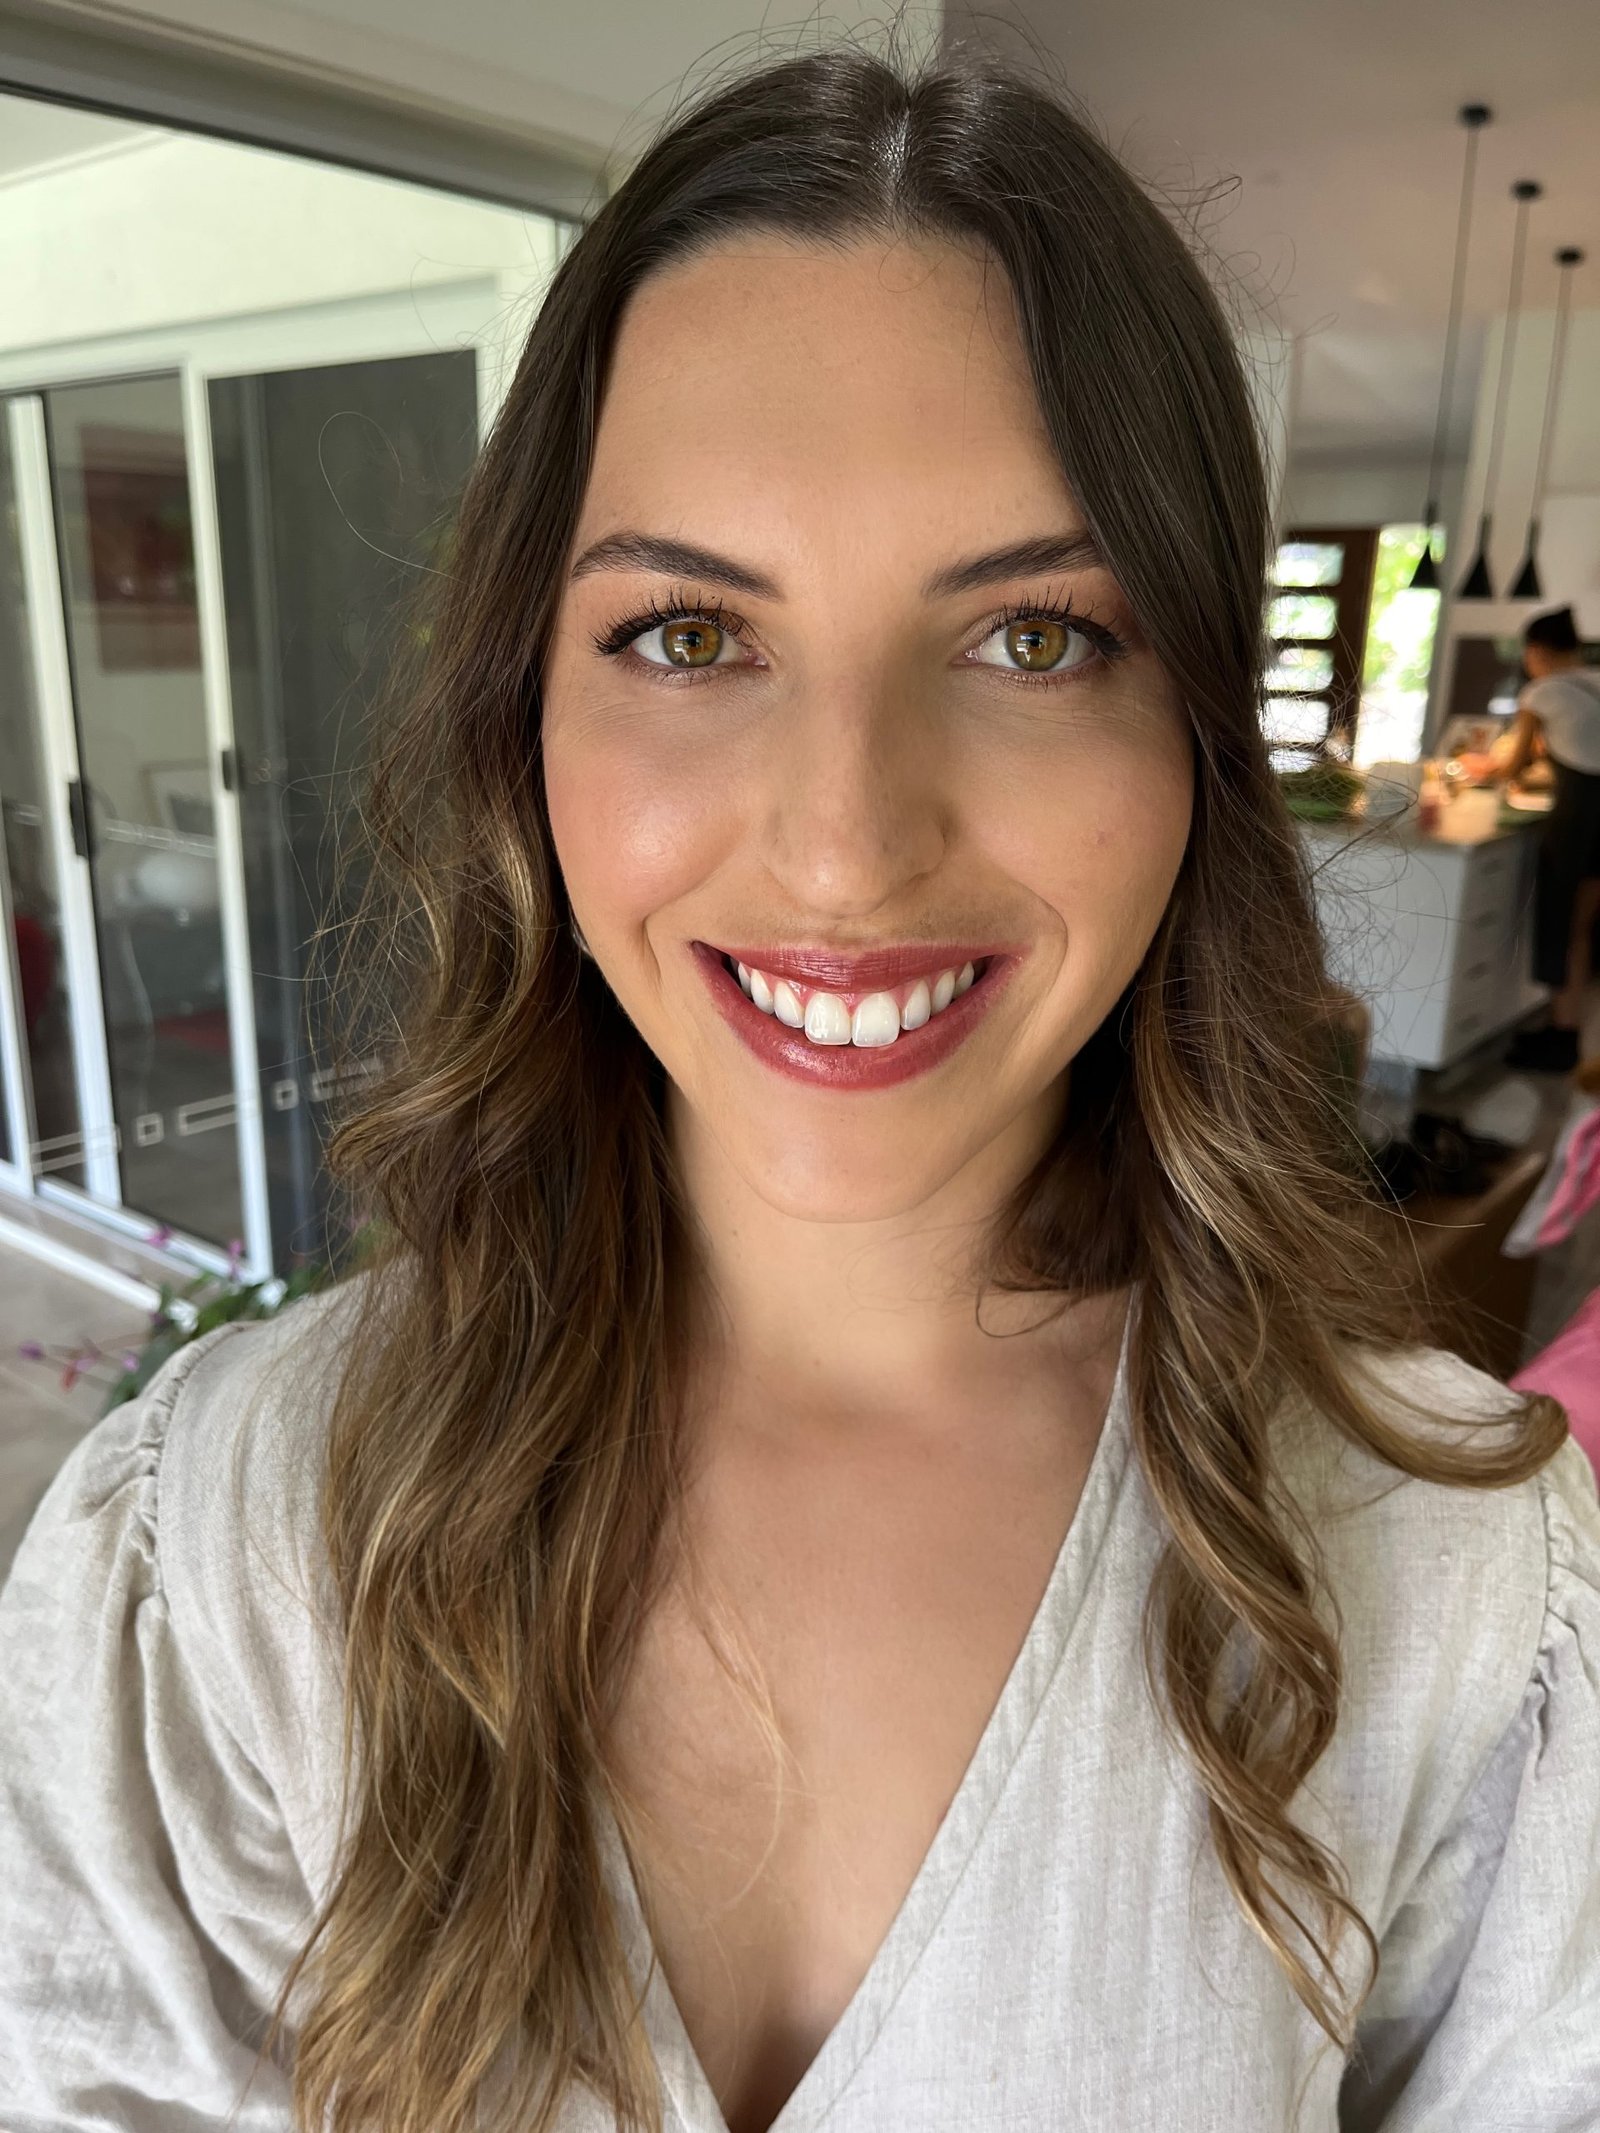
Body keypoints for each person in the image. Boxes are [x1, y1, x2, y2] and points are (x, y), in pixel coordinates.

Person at [3, 39, 1599, 2133]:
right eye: (688, 634)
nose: (846, 852)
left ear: (1195, 739)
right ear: (521, 720)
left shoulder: (1462, 1591)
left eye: (1034, 636)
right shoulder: (219, 1542)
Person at [1496, 604, 1600, 1072]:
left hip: (1580, 822)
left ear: (1536, 651)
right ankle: (1565, 1029)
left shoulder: (1541, 692)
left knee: (1564, 924)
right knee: (1583, 927)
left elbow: (1512, 765)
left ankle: (1562, 1037)